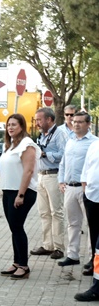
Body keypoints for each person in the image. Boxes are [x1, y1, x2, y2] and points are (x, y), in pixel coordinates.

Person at [0, 113, 40, 279]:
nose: (10, 127)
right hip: (9, 191)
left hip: (22, 192)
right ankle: (16, 262)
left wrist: (20, 194)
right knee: (14, 228)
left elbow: (28, 171)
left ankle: (24, 265)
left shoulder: (27, 144)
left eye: (14, 124)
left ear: (22, 126)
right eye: (8, 125)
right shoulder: (10, 146)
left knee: (17, 227)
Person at [57, 111, 97, 267]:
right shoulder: (70, 141)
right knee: (73, 223)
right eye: (74, 121)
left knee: (91, 225)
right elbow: (63, 163)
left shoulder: (94, 143)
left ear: (88, 124)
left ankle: (92, 258)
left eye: (80, 122)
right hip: (70, 187)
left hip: (87, 189)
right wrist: (61, 181)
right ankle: (72, 255)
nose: (76, 124)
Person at [30, 107, 68, 260]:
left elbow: (65, 154)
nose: (37, 123)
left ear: (49, 120)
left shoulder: (60, 134)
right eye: (36, 120)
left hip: (54, 175)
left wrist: (45, 153)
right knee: (44, 213)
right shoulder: (42, 135)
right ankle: (47, 245)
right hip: (42, 176)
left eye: (39, 120)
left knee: (56, 212)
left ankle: (59, 247)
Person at [81, 137, 99, 279]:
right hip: (91, 196)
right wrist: (85, 190)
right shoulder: (94, 145)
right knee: (93, 234)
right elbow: (86, 168)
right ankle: (94, 265)